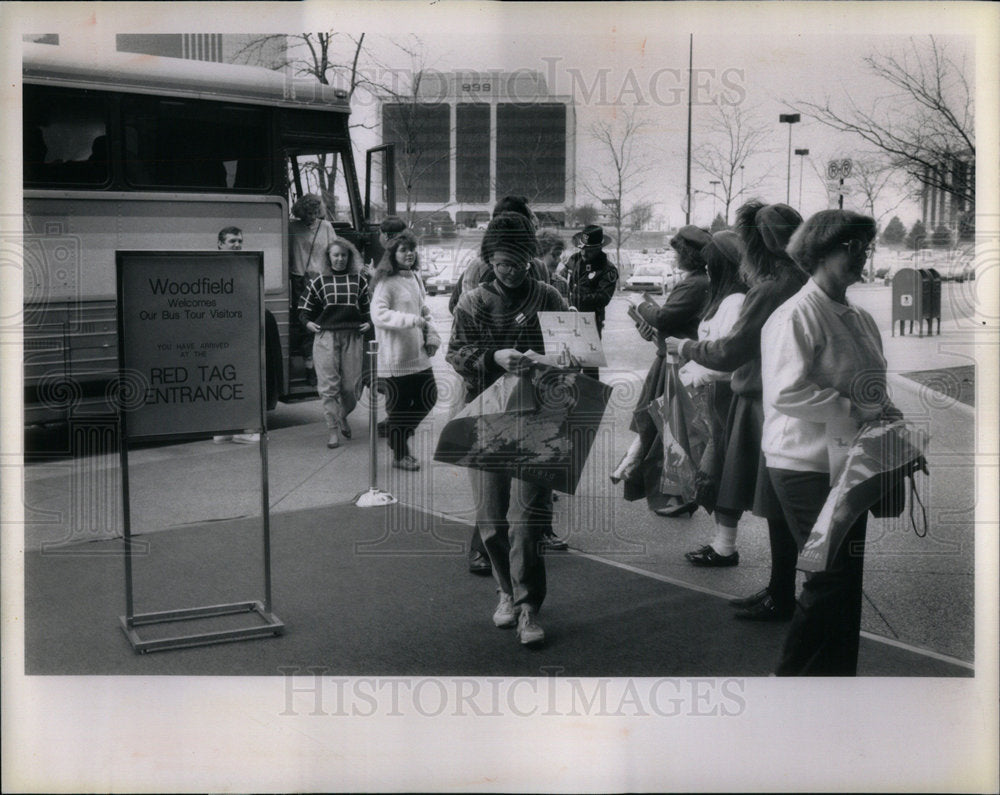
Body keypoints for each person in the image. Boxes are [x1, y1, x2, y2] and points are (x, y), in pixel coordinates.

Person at [762, 210, 893, 675]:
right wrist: (856, 410)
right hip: (804, 465)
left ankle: (837, 681)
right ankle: (789, 679)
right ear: (819, 251)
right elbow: (785, 391)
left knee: (844, 581)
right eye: (850, 246)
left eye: (864, 245)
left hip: (848, 462)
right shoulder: (796, 314)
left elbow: (870, 381)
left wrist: (885, 411)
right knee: (829, 577)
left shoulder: (858, 316)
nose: (861, 255)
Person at [665, 201, 806, 620]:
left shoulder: (771, 286)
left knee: (777, 505)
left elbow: (731, 351)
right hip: (778, 400)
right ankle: (780, 589)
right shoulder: (797, 280)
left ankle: (781, 594)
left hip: (765, 403)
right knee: (779, 503)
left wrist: (687, 347)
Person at [446, 212, 570, 647]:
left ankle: (528, 608)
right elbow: (455, 353)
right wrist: (493, 358)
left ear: (530, 259)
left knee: (527, 520)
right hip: (484, 415)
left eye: (516, 264)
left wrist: (553, 361)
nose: (509, 272)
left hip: (538, 416)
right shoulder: (473, 301)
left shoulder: (551, 298)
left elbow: (578, 356)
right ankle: (505, 589)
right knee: (492, 521)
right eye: (500, 264)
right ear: (489, 261)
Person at [616, 225, 712, 516]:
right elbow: (668, 322)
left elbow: (664, 316)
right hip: (674, 358)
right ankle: (674, 493)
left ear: (686, 254)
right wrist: (650, 323)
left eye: (676, 251)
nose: (674, 257)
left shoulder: (694, 283)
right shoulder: (699, 281)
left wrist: (641, 302)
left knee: (666, 428)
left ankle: (678, 495)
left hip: (675, 363)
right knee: (666, 428)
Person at [674, 231, 749, 564]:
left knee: (720, 473)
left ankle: (725, 545)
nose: (704, 264)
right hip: (712, 399)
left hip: (725, 399)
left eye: (709, 259)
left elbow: (731, 359)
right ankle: (723, 543)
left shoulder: (735, 303)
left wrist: (692, 371)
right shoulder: (724, 299)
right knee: (716, 473)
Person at [370, 230, 440, 470]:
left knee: (429, 397)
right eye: (403, 250)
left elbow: (424, 312)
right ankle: (400, 453)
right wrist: (409, 320)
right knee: (400, 409)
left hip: (418, 354)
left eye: (412, 249)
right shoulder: (385, 282)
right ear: (392, 254)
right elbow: (378, 315)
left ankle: (395, 434)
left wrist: (432, 335)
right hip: (396, 357)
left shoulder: (415, 278)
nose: (409, 253)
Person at [299, 238, 371, 449]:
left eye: (344, 255)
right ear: (328, 258)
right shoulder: (318, 280)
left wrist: (368, 322)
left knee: (352, 387)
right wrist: (308, 323)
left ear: (350, 258)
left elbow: (368, 309)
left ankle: (341, 415)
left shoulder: (359, 280)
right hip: (326, 336)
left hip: (352, 336)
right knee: (328, 387)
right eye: (335, 255)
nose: (340, 259)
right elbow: (304, 309)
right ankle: (332, 431)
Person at [213, 226, 259, 445]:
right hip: (233, 330)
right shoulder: (237, 267)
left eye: (240, 241)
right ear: (220, 243)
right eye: (232, 241)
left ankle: (224, 429)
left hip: (230, 330)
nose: (237, 245)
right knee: (237, 380)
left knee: (226, 380)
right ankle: (240, 430)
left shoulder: (235, 264)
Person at [289, 194, 338, 382]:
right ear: (301, 212)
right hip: (300, 279)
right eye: (308, 213)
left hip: (322, 279)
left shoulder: (326, 227)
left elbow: (334, 250)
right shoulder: (292, 227)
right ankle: (309, 366)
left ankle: (322, 365)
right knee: (306, 323)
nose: (312, 217)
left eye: (315, 213)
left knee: (323, 321)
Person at [565, 224, 619, 379]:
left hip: (590, 324)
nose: (583, 253)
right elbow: (562, 280)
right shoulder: (573, 260)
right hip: (567, 321)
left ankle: (590, 402)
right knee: (567, 368)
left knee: (589, 371)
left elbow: (603, 298)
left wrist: (575, 298)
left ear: (598, 248)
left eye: (588, 250)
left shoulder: (608, 270)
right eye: (581, 248)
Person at [536, 230, 568, 300]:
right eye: (555, 255)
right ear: (539, 254)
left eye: (559, 255)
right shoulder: (524, 283)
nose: (559, 260)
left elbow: (564, 310)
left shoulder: (561, 284)